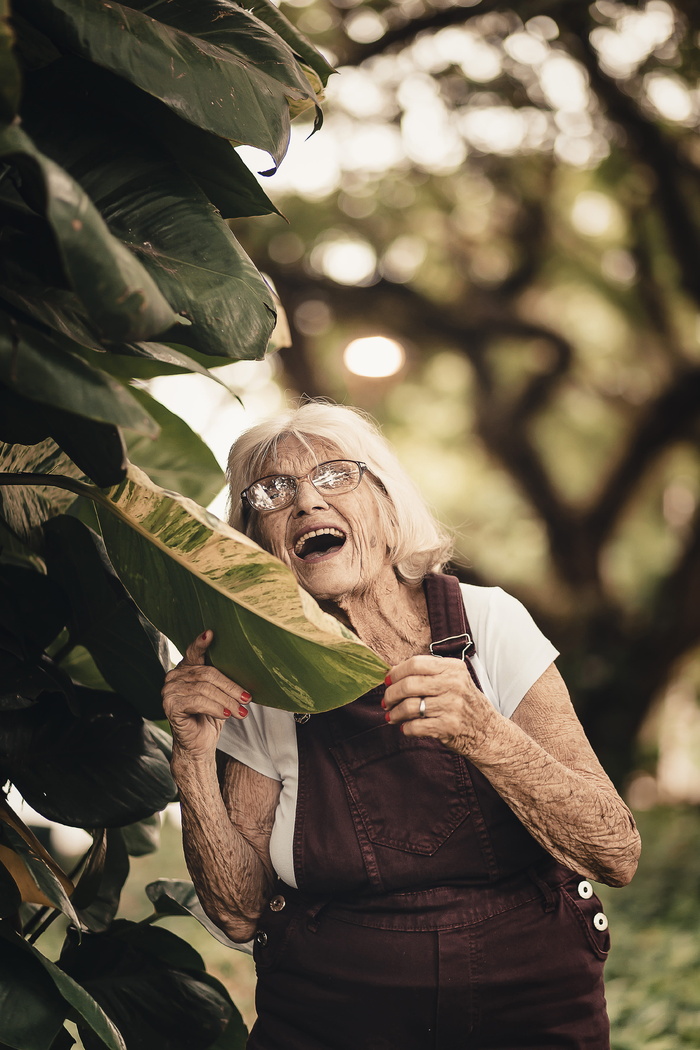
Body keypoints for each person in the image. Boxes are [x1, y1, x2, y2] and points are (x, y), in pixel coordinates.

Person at [162, 400, 641, 1050]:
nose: (305, 503)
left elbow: (614, 852)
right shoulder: (261, 677)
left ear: (387, 509)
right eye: (272, 492)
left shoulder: (488, 621)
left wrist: (485, 733)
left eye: (335, 476)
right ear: (259, 542)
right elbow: (239, 913)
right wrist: (191, 762)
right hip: (334, 1015)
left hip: (532, 1004)